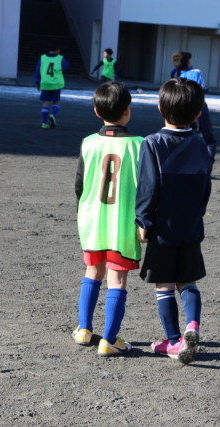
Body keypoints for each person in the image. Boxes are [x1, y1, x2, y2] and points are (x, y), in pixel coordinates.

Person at [135, 78, 213, 364]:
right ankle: (193, 325)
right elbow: (205, 187)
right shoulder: (201, 144)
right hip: (190, 226)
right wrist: (198, 214)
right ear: (198, 114)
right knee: (188, 281)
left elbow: (148, 187)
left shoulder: (153, 143)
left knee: (164, 285)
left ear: (160, 108)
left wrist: (143, 220)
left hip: (162, 228)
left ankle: (173, 341)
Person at [73, 81, 144, 357]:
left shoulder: (89, 142)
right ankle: (110, 340)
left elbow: (79, 185)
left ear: (96, 111)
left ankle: (84, 329)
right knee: (118, 279)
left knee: (92, 271)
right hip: (122, 224)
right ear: (128, 109)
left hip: (92, 220)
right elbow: (147, 188)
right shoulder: (139, 144)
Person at [171, 51, 216, 162]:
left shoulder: (175, 75)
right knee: (207, 140)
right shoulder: (196, 72)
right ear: (188, 62)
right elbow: (204, 89)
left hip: (183, 110)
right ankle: (207, 166)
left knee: (183, 138)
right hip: (199, 110)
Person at [35, 44, 69, 129]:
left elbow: (37, 70)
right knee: (56, 101)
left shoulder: (42, 57)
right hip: (56, 84)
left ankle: (44, 123)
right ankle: (53, 115)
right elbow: (66, 66)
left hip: (45, 83)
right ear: (57, 50)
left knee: (46, 103)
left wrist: (37, 82)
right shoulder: (60, 58)